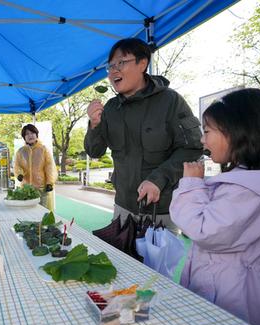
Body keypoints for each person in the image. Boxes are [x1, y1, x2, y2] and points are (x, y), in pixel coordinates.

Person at [170, 88, 260, 325]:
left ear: (239, 131)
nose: (203, 141)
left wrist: (192, 185)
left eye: (207, 131)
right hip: (244, 287)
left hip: (238, 295)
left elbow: (204, 230)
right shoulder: (256, 182)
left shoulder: (247, 189)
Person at [85, 38, 202, 229]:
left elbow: (192, 149)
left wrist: (158, 179)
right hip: (122, 206)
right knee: (120, 259)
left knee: (155, 259)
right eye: (110, 66)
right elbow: (94, 151)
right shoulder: (111, 109)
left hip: (161, 208)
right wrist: (94, 124)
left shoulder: (170, 101)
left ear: (142, 63)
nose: (114, 70)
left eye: (121, 63)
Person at [14, 124, 57, 210]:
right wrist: (19, 174)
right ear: (24, 137)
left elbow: (49, 167)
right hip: (26, 189)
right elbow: (17, 165)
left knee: (43, 212)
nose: (30, 135)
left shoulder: (43, 150)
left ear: (36, 134)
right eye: (27, 134)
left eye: (32, 133)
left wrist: (49, 182)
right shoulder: (21, 151)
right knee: (28, 212)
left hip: (41, 188)